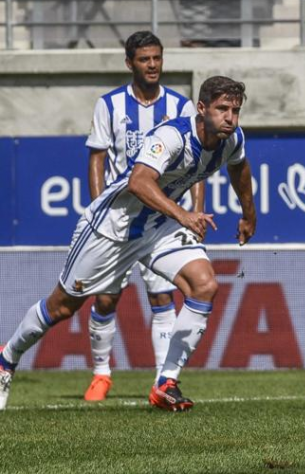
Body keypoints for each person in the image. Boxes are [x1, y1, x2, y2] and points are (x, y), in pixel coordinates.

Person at [0, 76, 256, 412]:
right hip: (112, 228)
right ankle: (7, 358)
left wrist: (249, 215)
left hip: (157, 226)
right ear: (201, 108)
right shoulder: (172, 136)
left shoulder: (233, 139)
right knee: (62, 307)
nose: (230, 118)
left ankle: (165, 383)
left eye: (235, 111)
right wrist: (183, 214)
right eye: (222, 109)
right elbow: (138, 182)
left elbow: (240, 169)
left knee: (204, 285)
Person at [82, 30, 204, 402]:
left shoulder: (181, 106)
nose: (152, 65)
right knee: (106, 299)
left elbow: (196, 165)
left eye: (157, 58)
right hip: (118, 218)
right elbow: (97, 158)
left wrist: (194, 211)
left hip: (161, 220)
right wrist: (98, 209)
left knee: (162, 297)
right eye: (144, 59)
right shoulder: (110, 104)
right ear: (130, 63)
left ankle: (161, 382)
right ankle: (101, 375)